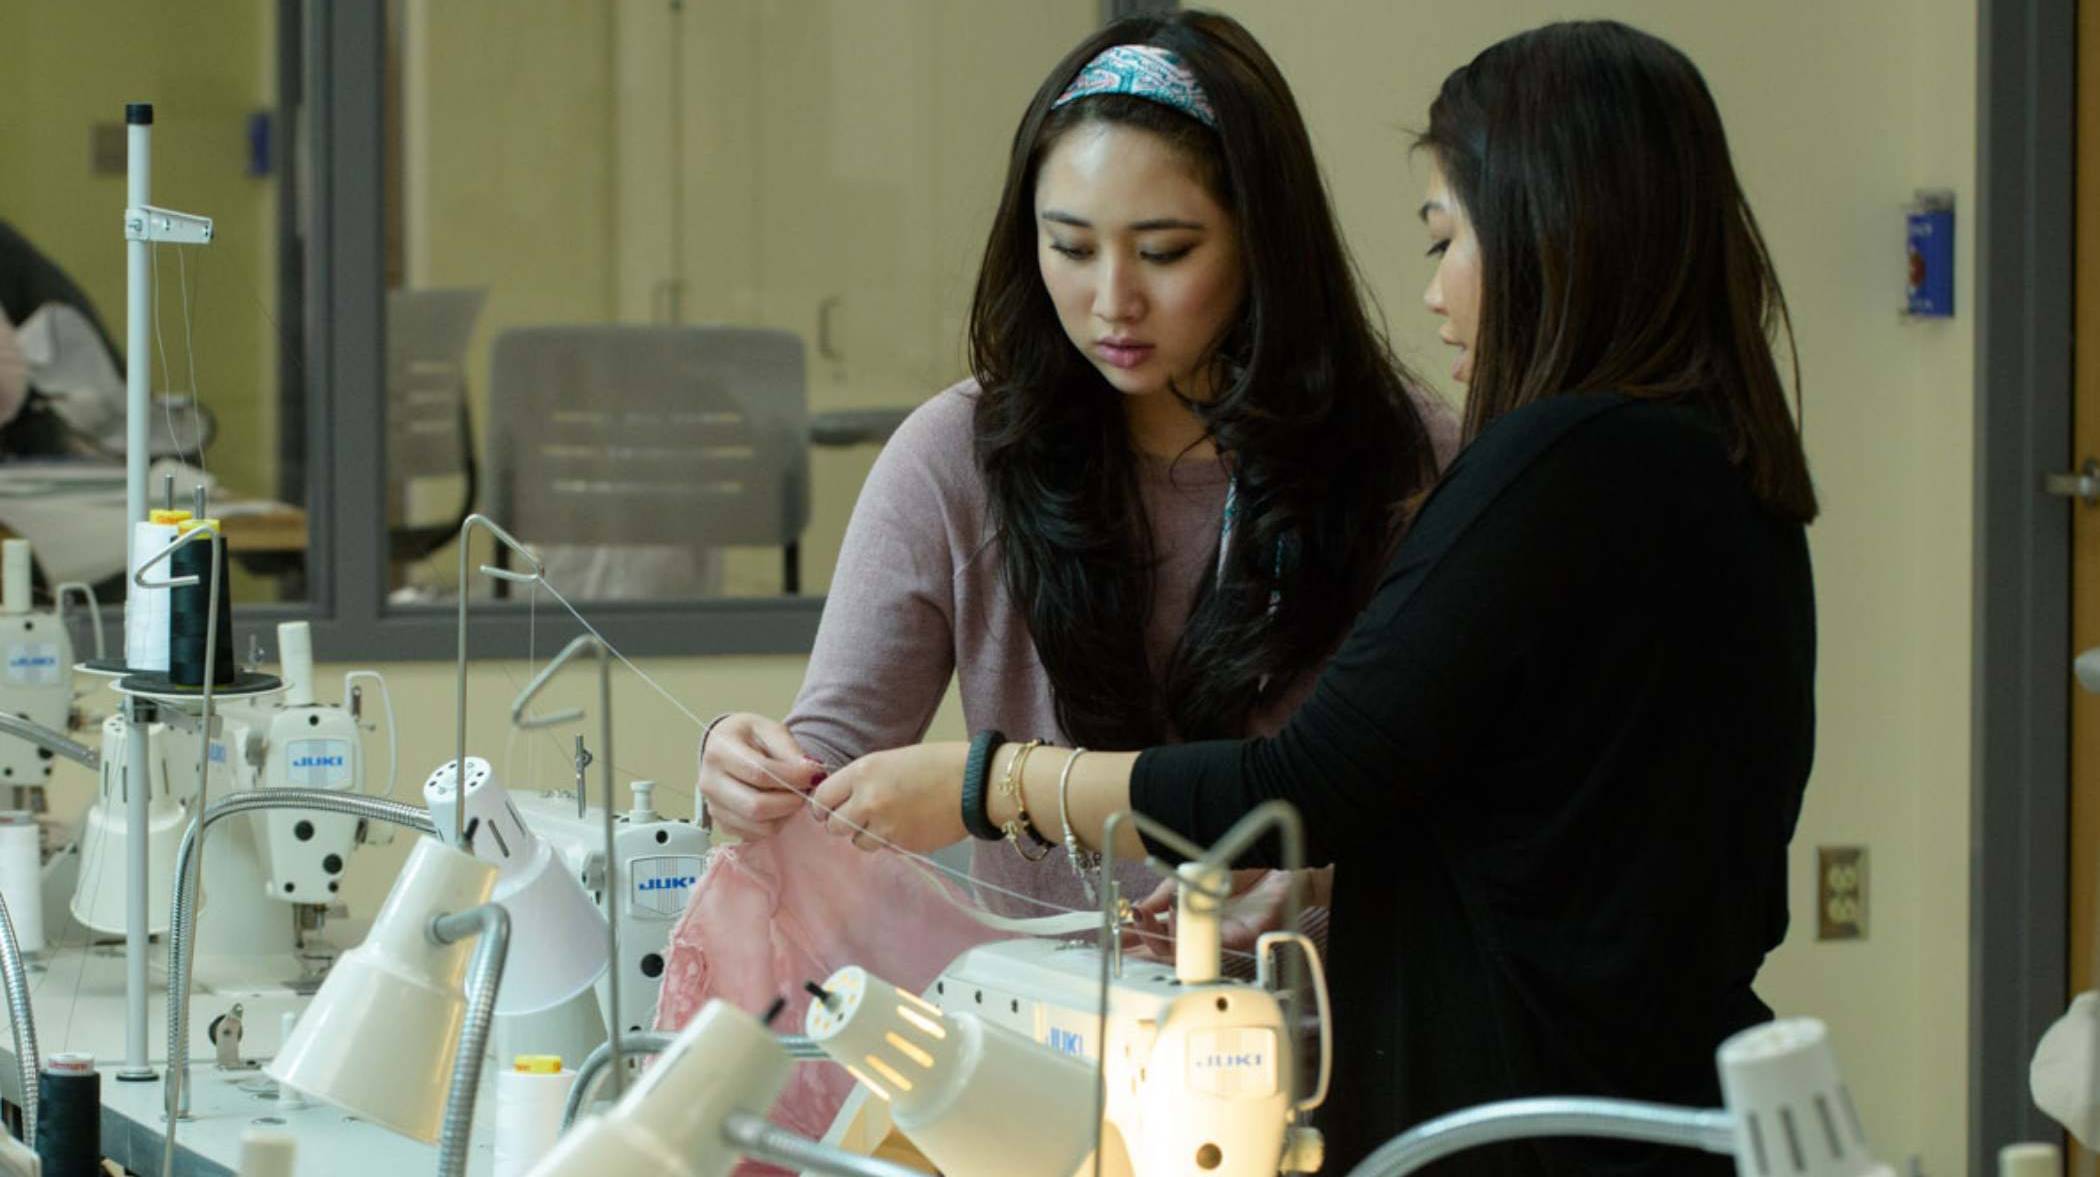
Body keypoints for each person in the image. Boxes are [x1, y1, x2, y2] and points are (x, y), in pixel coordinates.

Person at [813, 19, 1819, 1176]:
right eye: (1071, 246)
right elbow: (1490, 803)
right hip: (1631, 1094)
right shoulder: (1722, 470)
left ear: (1553, 238)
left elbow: (1309, 786)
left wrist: (991, 782)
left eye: (1448, 237)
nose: (1436, 289)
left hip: (1523, 1116)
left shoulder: (1533, 464)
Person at [694, 10, 1456, 925]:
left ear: (1262, 239)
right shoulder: (957, 457)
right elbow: (829, 769)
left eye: (1165, 252)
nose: (1111, 302)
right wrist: (748, 777)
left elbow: (1451, 800)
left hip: (1315, 1030)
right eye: (1071, 247)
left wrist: (1324, 880)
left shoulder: (1404, 460)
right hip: (1039, 1033)